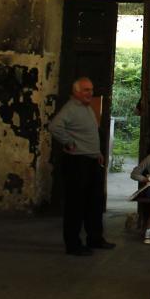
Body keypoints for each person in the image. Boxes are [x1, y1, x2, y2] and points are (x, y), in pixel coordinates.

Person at [48, 77, 115, 256]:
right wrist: (68, 142)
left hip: (91, 161)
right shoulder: (70, 109)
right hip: (77, 163)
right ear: (76, 92)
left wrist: (97, 153)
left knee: (94, 203)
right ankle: (73, 245)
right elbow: (54, 127)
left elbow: (89, 135)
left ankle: (95, 238)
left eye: (91, 90)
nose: (90, 93)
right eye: (86, 90)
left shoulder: (86, 109)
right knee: (75, 205)